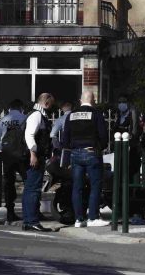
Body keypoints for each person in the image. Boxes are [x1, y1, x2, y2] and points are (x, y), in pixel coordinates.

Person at [62, 90, 109, 227]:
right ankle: (93, 217)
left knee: (77, 187)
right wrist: (100, 147)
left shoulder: (71, 115)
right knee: (95, 186)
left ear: (80, 100)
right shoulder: (96, 114)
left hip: (75, 154)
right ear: (93, 100)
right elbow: (104, 137)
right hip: (91, 152)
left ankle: (78, 219)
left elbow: (65, 139)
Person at [21, 93, 54, 232]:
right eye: (51, 104)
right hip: (34, 157)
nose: (51, 108)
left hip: (36, 156)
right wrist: (33, 154)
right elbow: (29, 135)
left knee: (31, 189)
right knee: (33, 190)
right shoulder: (37, 115)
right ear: (46, 102)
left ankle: (29, 220)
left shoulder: (37, 114)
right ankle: (31, 221)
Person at [0, 99, 27, 222]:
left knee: (8, 183)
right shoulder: (25, 118)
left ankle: (10, 212)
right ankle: (29, 210)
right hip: (22, 155)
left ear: (9, 109)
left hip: (7, 156)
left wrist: (4, 147)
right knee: (28, 182)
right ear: (21, 108)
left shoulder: (3, 120)